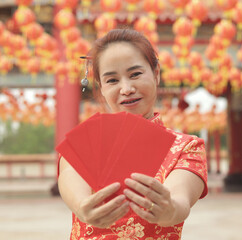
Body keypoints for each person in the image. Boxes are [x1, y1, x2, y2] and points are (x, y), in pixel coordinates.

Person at [57, 28, 208, 240]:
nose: (126, 88)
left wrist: (169, 210)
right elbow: (72, 187)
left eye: (135, 74)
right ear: (101, 88)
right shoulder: (84, 143)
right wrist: (83, 208)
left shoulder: (186, 147)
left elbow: (179, 201)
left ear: (156, 75)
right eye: (112, 80)